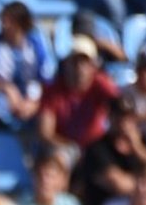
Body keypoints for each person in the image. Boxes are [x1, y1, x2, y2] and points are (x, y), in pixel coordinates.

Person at [38, 34, 119, 168]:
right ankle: (61, 189)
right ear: (67, 63)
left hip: (96, 147)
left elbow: (120, 107)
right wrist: (72, 147)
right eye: (75, 61)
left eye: (85, 62)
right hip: (66, 146)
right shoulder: (53, 90)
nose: (80, 68)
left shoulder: (101, 84)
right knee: (59, 158)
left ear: (93, 66)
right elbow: (45, 132)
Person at [0, 0, 56, 129]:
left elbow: (46, 79)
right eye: (3, 20)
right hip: (4, 97)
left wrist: (33, 101)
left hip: (33, 98)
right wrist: (7, 88)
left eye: (9, 21)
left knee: (51, 101)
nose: (4, 25)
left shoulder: (36, 44)